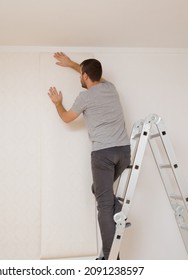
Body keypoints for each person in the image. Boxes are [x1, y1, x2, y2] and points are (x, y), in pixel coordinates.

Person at [47, 52, 131, 260]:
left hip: (103, 154)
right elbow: (92, 76)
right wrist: (72, 64)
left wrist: (58, 102)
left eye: (81, 75)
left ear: (84, 76)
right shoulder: (111, 89)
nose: (80, 78)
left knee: (103, 205)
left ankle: (111, 260)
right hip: (124, 152)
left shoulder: (85, 96)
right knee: (99, 191)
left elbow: (67, 118)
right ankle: (119, 208)